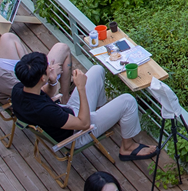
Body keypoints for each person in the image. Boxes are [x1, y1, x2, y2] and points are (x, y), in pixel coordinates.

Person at [11, 52, 160, 162]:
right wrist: (80, 87)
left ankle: (104, 114)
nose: (51, 67)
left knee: (97, 70)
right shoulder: (46, 111)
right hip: (77, 133)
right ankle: (127, 147)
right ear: (41, 78)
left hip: (68, 114)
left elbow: (46, 94)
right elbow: (84, 124)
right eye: (48, 67)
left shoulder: (19, 89)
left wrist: (52, 81)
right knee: (128, 101)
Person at [0, 24, 69, 102]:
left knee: (8, 37)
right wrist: (50, 75)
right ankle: (65, 99)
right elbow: (32, 93)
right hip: (21, 91)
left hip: (0, 80)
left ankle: (30, 63)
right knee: (62, 48)